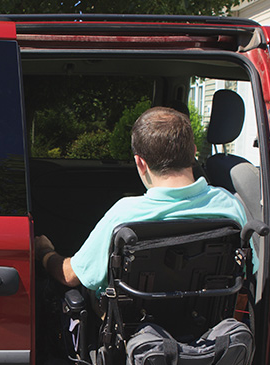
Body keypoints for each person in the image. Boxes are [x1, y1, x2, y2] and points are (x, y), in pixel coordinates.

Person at [34, 106, 250, 292]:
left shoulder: (125, 214)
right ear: (193, 152)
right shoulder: (229, 204)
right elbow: (250, 269)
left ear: (140, 163)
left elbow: (71, 276)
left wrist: (45, 252)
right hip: (211, 331)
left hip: (138, 335)